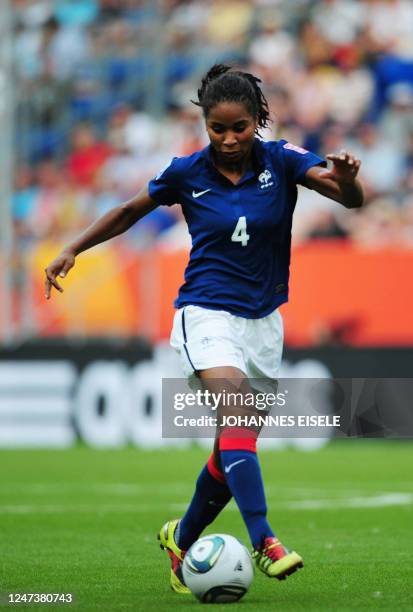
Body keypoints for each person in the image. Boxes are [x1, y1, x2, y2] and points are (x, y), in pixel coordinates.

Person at [44, 64, 363, 593]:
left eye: (239, 127)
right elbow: (128, 211)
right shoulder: (186, 172)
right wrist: (72, 249)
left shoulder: (281, 160)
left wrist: (349, 179)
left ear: (257, 120)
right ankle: (265, 541)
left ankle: (182, 537)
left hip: (263, 323)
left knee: (232, 444)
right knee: (235, 411)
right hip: (205, 312)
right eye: (218, 128)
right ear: (206, 125)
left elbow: (348, 199)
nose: (230, 138)